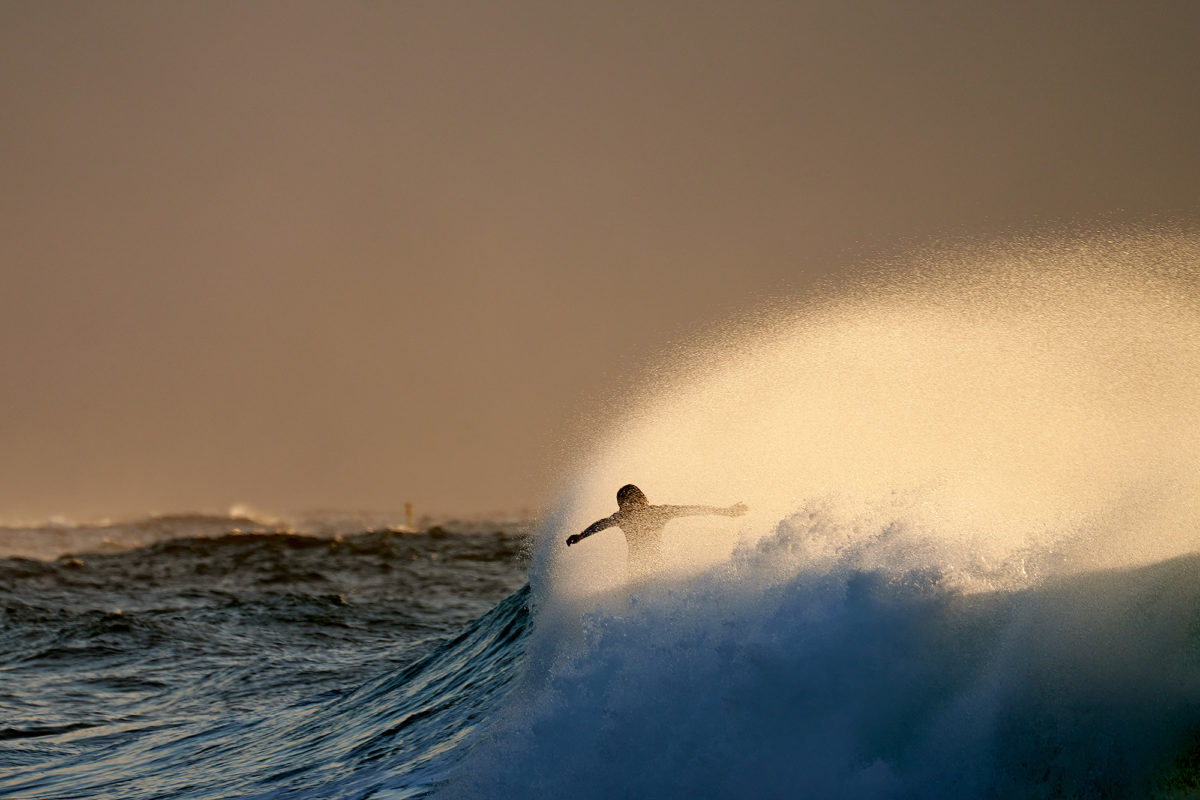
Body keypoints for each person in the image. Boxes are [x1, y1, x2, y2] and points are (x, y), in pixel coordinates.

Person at [565, 484, 747, 577]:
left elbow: (691, 509)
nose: (623, 508)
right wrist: (582, 535)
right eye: (622, 505)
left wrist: (725, 511)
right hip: (636, 569)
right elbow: (602, 524)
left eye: (625, 504)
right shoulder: (624, 517)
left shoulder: (656, 512)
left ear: (635, 501)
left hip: (654, 566)